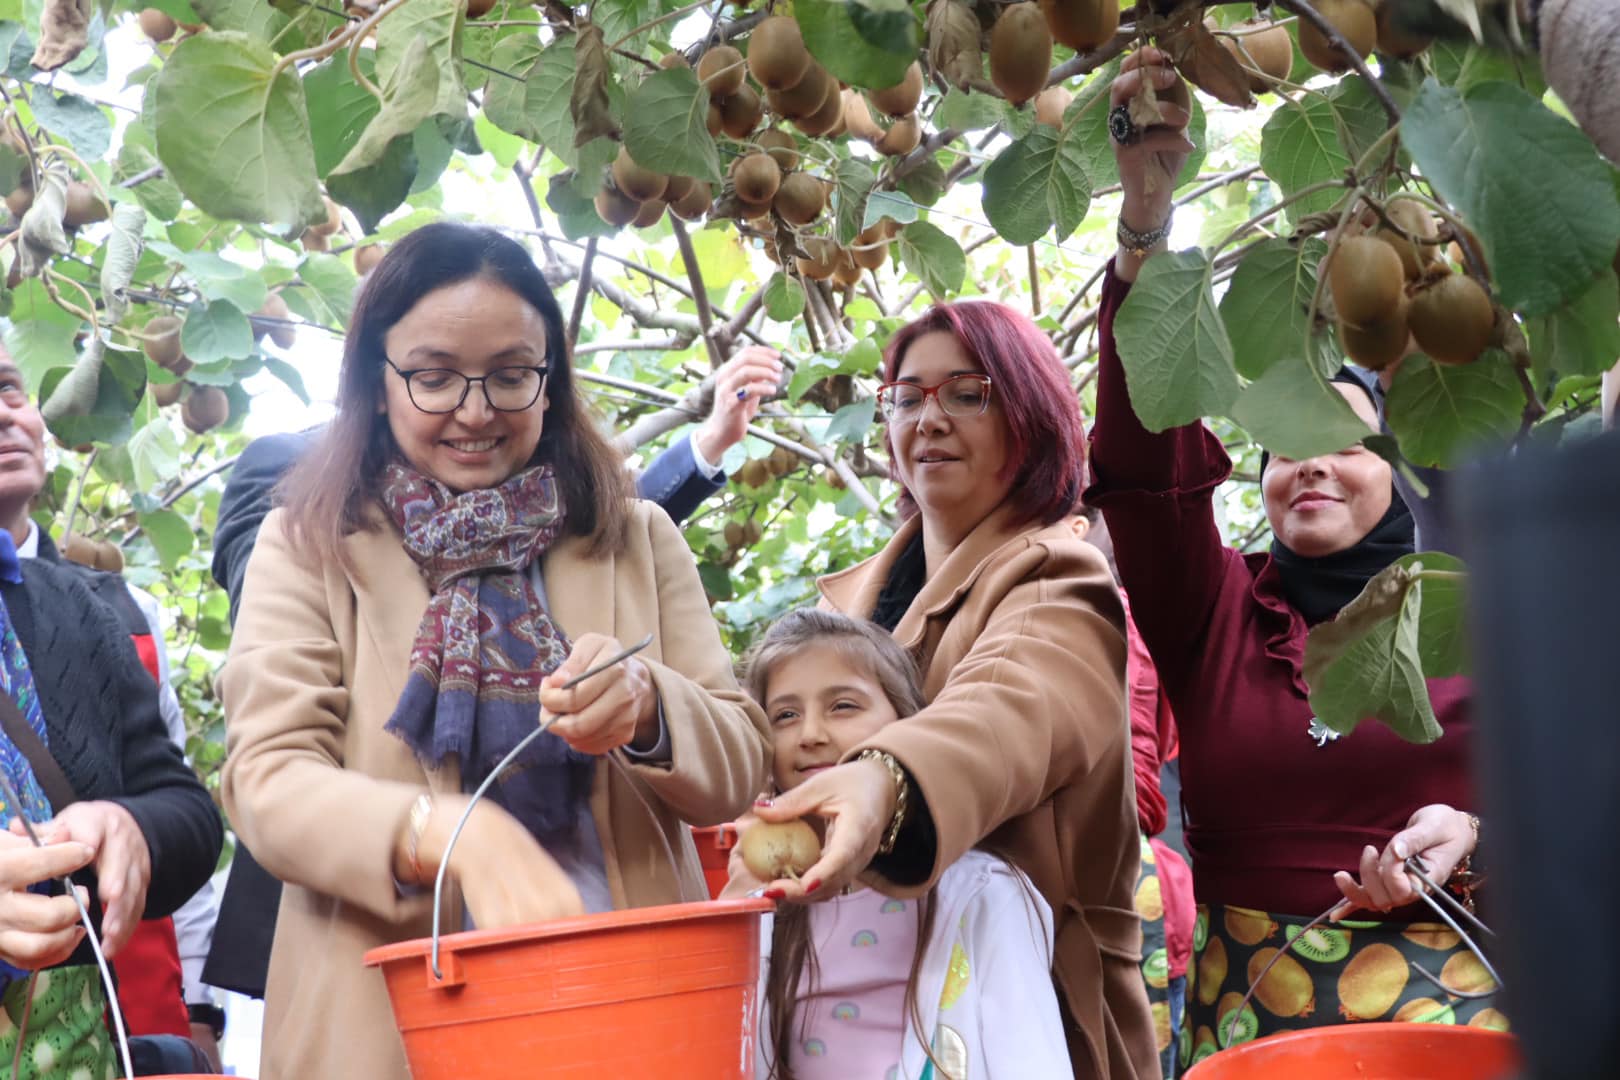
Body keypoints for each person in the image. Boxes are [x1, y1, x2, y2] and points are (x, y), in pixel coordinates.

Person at [218, 221, 771, 1080]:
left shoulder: (635, 537)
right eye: (434, 377)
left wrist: (649, 704)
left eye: (512, 375)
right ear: (378, 380)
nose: (475, 412)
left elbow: (738, 764)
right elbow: (265, 782)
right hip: (392, 1031)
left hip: (624, 1013)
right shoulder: (310, 545)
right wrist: (445, 833)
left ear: (550, 380)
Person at [1088, 49, 1492, 1064]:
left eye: (1343, 445)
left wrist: (1480, 834)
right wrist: (1146, 229)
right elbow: (1145, 468)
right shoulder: (1217, 611)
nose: (1307, 467)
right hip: (1257, 1014)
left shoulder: (1476, 610)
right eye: (1281, 451)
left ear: (1400, 470)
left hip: (1462, 994)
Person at [748, 301, 1158, 1076]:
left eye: (967, 393)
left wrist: (884, 778)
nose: (929, 419)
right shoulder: (855, 606)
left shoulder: (1058, 579)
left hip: (1022, 1028)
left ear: (1030, 417)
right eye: (908, 397)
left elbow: (1009, 705)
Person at [0, 354, 224, 1072]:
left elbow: (186, 810)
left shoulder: (82, 606)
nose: (6, 412)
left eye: (9, 388)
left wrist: (131, 825)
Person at [730, 609, 1071, 1078]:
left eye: (843, 705)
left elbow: (1032, 1060)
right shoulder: (764, 911)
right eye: (785, 715)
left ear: (908, 725)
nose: (810, 734)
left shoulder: (983, 893)